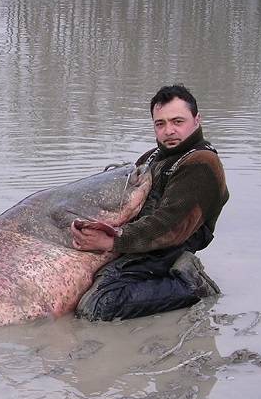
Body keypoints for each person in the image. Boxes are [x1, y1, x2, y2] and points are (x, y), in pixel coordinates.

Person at [70, 84, 229, 321]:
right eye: (160, 123)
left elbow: (170, 226)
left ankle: (189, 285)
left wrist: (113, 240)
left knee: (98, 306)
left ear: (197, 120)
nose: (169, 131)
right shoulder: (152, 156)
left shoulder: (201, 163)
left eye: (178, 121)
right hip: (141, 240)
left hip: (170, 246)